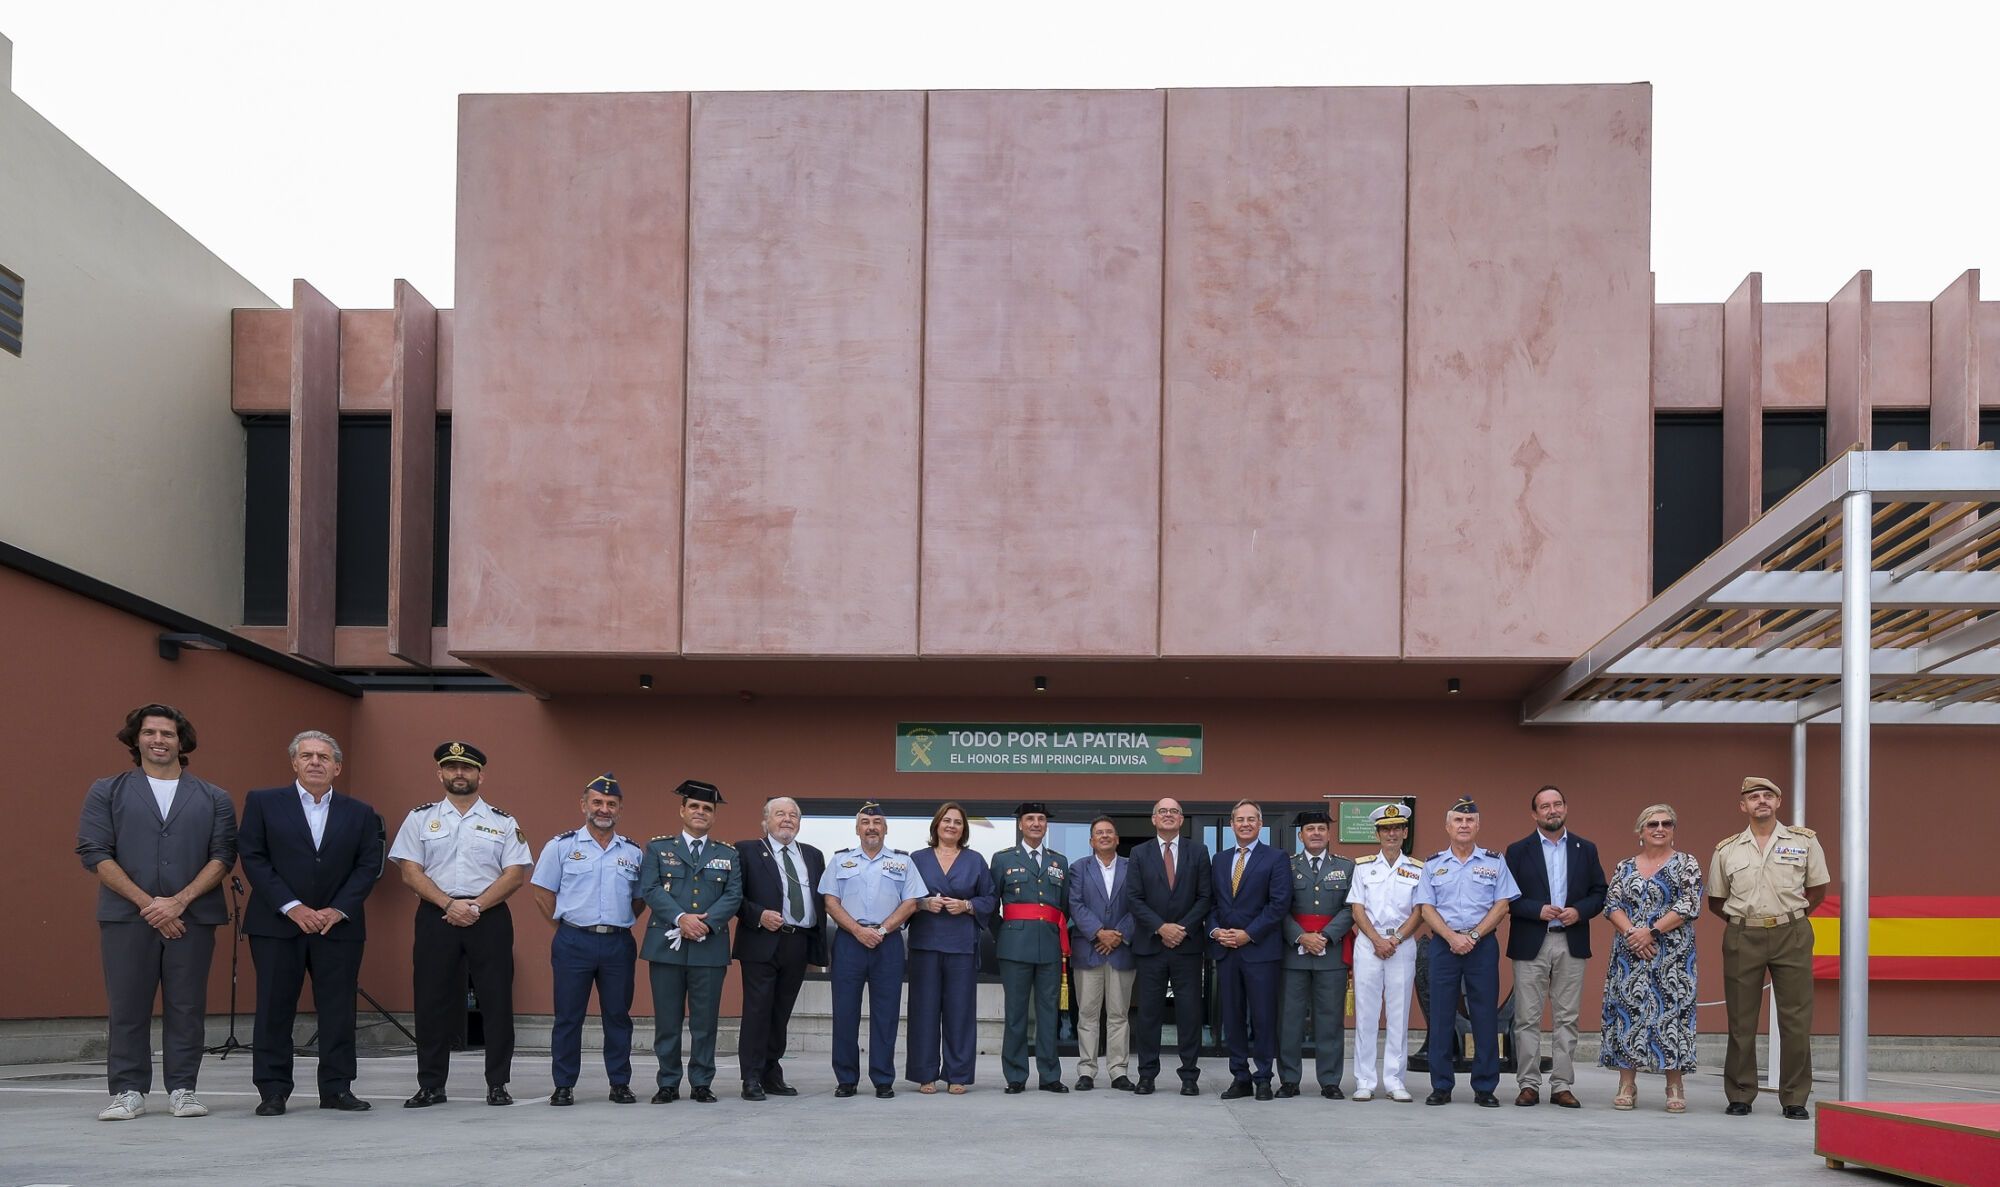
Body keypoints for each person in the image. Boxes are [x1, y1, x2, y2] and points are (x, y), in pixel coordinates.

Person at [76, 703, 237, 1121]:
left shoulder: (214, 797)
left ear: (182, 741)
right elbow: (94, 852)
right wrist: (149, 904)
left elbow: (222, 856)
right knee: (127, 1005)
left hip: (193, 918)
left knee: (187, 1006)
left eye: (167, 733)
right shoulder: (106, 790)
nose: (159, 740)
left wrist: (179, 901)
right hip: (127, 918)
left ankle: (183, 1088)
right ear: (136, 739)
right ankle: (127, 1090)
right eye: (150, 733)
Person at [238, 730, 385, 1116]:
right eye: (307, 756)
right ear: (294, 763)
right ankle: (272, 1090)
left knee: (338, 1010)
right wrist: (292, 906)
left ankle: (336, 1088)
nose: (315, 762)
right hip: (277, 924)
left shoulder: (361, 812)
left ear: (337, 767)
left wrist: (337, 909)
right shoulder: (264, 802)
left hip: (338, 927)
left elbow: (368, 866)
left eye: (323, 757)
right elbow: (253, 857)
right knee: (274, 1007)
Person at [388, 741, 532, 1108]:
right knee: (431, 1001)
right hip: (437, 914)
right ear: (440, 773)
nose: (459, 774)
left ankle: (498, 1083)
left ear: (481, 775)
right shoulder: (420, 818)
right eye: (451, 768)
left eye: (467, 768)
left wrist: (476, 906)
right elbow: (409, 870)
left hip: (490, 916)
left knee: (497, 1001)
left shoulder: (503, 821)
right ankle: (431, 1084)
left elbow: (515, 873)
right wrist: (449, 904)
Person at [1707, 775, 1829, 1120]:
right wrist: (1746, 923)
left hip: (1791, 933)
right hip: (1743, 934)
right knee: (1741, 1020)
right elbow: (1717, 900)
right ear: (1742, 806)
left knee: (1795, 1018)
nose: (1761, 801)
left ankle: (1794, 1097)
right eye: (1753, 797)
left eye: (1768, 796)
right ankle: (1740, 1093)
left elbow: (1817, 890)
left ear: (1778, 803)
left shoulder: (1804, 842)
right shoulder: (1727, 849)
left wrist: (1790, 917)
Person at [529, 772, 644, 1106]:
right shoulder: (561, 846)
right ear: (584, 805)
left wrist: (617, 922)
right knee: (568, 1016)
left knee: (618, 1016)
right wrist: (566, 929)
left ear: (620, 808)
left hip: (618, 943)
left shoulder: (633, 853)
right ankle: (563, 1084)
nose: (603, 809)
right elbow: (542, 893)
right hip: (573, 942)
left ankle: (619, 1083)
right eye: (597, 802)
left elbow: (640, 898)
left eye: (611, 803)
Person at [1504, 784, 1607, 1108]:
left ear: (1565, 808)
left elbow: (1599, 892)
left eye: (1557, 804)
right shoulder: (1518, 850)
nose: (1552, 810)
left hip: (1570, 940)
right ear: (1535, 813)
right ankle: (1529, 1084)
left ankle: (1562, 1084)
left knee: (1567, 1017)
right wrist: (1536, 909)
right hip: (1531, 941)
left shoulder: (1585, 849)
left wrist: (1580, 910)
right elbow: (1507, 897)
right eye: (1545, 806)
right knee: (1527, 1018)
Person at [639, 779, 741, 1104]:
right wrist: (682, 919)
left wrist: (703, 924)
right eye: (694, 806)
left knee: (705, 1022)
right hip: (666, 946)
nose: (700, 812)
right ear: (682, 810)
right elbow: (651, 889)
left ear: (714, 817)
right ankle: (668, 1082)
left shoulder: (728, 853)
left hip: (709, 948)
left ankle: (701, 1082)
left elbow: (733, 895)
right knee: (667, 1021)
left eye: (707, 809)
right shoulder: (658, 848)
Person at [1414, 797, 1520, 1107]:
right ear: (1447, 826)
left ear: (1477, 826)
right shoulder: (1433, 864)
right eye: (1458, 821)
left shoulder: (1494, 862)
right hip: (1444, 946)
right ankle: (1441, 1085)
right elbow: (1425, 908)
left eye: (1469, 820)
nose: (1464, 825)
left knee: (1485, 1015)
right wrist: (1450, 936)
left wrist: (1472, 935)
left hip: (1482, 944)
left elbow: (1502, 905)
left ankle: (1485, 1087)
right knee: (1441, 1016)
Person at [819, 800, 928, 1098]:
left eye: (877, 823)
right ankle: (846, 1079)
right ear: (857, 829)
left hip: (887, 942)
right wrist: (858, 930)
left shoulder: (902, 861)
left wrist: (880, 930)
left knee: (886, 1014)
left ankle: (882, 1078)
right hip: (848, 943)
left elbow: (911, 902)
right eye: (866, 823)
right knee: (844, 1013)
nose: (871, 828)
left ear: (885, 828)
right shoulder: (840, 861)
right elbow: (830, 901)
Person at [1601, 803, 1702, 1113]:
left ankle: (1674, 1085)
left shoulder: (1687, 863)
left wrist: (1652, 932)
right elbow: (1611, 904)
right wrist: (1634, 934)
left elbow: (1689, 904)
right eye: (1653, 824)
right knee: (1627, 1013)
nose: (1660, 828)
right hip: (1629, 954)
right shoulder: (1624, 866)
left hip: (1671, 955)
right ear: (1640, 832)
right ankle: (1627, 1084)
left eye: (1667, 823)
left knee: (1673, 1013)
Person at [733, 795, 826, 1100]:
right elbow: (735, 897)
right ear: (766, 821)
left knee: (781, 1013)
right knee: (758, 1011)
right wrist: (758, 914)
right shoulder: (747, 851)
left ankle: (772, 1072)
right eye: (780, 814)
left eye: (793, 815)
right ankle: (751, 1077)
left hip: (797, 942)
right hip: (761, 942)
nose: (787, 819)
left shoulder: (813, 855)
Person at [906, 801, 994, 1094]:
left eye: (957, 822)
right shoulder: (916, 859)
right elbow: (902, 898)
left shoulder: (975, 860)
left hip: (961, 946)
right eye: (947, 821)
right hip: (925, 944)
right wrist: (922, 903)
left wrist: (968, 905)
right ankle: (925, 1074)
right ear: (937, 825)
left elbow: (990, 899)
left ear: (963, 830)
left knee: (960, 1011)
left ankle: (958, 1074)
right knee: (924, 1009)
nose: (951, 826)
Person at [1127, 797, 1212, 1096]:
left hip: (1187, 946)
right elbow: (1134, 898)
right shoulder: (1138, 853)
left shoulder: (1198, 852)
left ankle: (1189, 1075)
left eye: (1173, 811)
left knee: (1189, 1013)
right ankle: (1147, 1075)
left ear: (1181, 818)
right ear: (1153, 819)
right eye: (1162, 811)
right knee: (1149, 1013)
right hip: (1151, 945)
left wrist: (1182, 929)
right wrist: (1161, 927)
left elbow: (1205, 897)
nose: (1168, 815)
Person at [1207, 799, 1291, 1101]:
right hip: (1226, 950)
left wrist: (1248, 934)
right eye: (1239, 819)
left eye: (1251, 819)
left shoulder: (1276, 858)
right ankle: (1239, 1076)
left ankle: (1264, 1077)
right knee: (1232, 1016)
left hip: (1260, 951)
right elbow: (1213, 903)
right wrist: (1216, 931)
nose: (1245, 824)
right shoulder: (1219, 859)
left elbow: (1278, 904)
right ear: (1231, 824)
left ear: (1260, 824)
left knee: (1263, 1017)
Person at [1349, 802, 1427, 1102]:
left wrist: (1394, 940)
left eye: (1397, 828)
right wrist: (1377, 940)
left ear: (1405, 832)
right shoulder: (1363, 866)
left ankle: (1395, 1079)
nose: (1391, 834)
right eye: (1386, 829)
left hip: (1402, 946)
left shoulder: (1417, 868)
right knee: (1366, 1015)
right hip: (1369, 946)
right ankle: (1365, 1080)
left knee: (1398, 1014)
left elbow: (1420, 910)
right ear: (1377, 833)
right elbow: (1357, 909)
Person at [992, 801, 1070, 1094]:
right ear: (1021, 824)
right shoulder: (1002, 859)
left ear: (1045, 824)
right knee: (1016, 1014)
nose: (1036, 823)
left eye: (1040, 819)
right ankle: (1015, 1075)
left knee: (1048, 1012)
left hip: (1049, 945)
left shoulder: (1058, 861)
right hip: (1014, 945)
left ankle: (1050, 1075)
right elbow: (991, 903)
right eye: (1030, 819)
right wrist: (1005, 934)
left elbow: (1063, 906)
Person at [1278, 808, 1354, 1099]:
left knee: (1330, 1019)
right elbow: (1278, 907)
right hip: (1294, 954)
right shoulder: (1286, 866)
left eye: (1321, 829)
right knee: (1289, 1019)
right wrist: (1300, 936)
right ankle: (1289, 1080)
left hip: (1330, 952)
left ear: (1329, 834)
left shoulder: (1346, 867)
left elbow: (1351, 907)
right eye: (1310, 829)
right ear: (1301, 835)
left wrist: (1324, 937)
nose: (1316, 833)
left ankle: (1330, 1080)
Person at [1068, 815, 1135, 1092]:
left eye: (1109, 832)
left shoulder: (1134, 867)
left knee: (1119, 1014)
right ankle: (1087, 1070)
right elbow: (1075, 904)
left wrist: (1118, 935)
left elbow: (1139, 904)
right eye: (1099, 833)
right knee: (1088, 1013)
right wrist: (1099, 933)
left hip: (1122, 951)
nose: (1105, 836)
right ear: (1091, 841)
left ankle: (1118, 1071)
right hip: (1089, 949)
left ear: (1117, 839)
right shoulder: (1078, 868)